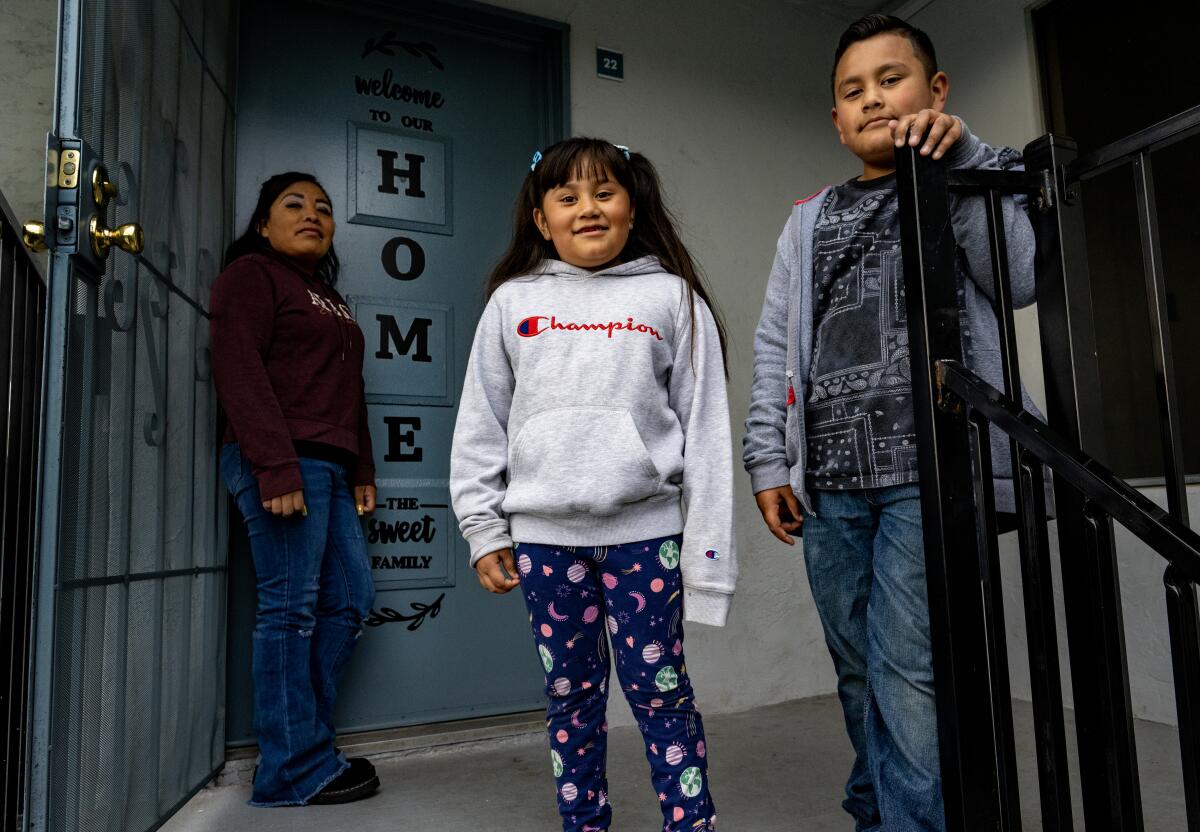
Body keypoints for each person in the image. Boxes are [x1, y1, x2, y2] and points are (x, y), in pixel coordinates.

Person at [743, 15, 1038, 832]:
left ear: (936, 90)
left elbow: (1017, 280)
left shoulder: (970, 176)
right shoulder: (808, 219)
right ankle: (881, 809)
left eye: (891, 79)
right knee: (857, 670)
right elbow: (777, 343)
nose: (873, 99)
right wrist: (768, 460)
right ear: (835, 120)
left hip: (932, 473)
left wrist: (963, 157)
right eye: (852, 91)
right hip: (831, 483)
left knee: (911, 670)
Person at [450, 138, 735, 832]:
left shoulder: (672, 298)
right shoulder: (511, 303)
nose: (587, 209)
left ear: (632, 208)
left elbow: (707, 438)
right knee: (570, 698)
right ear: (540, 219)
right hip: (545, 542)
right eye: (567, 196)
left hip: (648, 539)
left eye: (604, 192)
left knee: (661, 694)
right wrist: (483, 527)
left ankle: (690, 823)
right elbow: (481, 424)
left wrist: (708, 566)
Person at [211, 172, 380, 806]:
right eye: (294, 204)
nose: (312, 214)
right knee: (290, 609)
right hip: (279, 459)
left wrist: (362, 467)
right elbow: (238, 369)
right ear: (262, 223)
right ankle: (292, 769)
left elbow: (350, 393)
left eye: (324, 208)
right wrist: (275, 468)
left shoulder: (327, 298)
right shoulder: (251, 277)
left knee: (351, 599)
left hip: (329, 466)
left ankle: (304, 742)